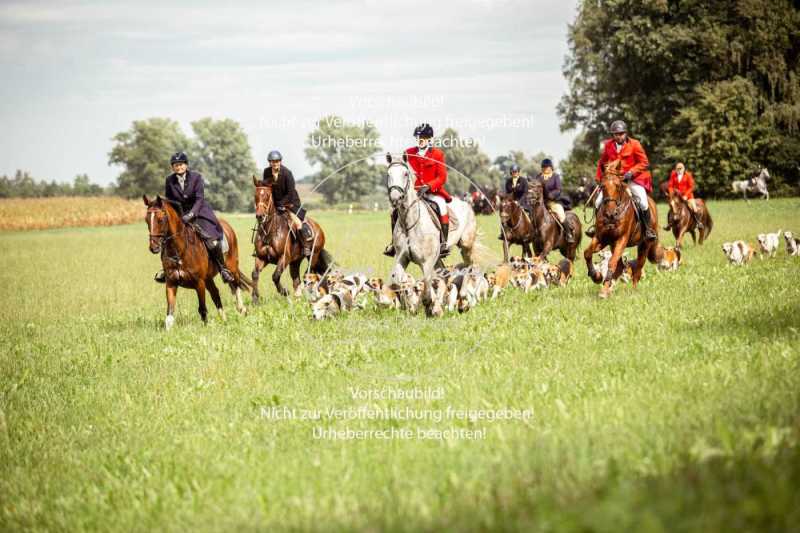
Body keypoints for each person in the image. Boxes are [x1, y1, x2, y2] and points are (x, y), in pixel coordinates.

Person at [155, 152, 234, 284]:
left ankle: (223, 269)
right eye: (175, 165)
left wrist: (191, 214)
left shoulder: (196, 177)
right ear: (172, 167)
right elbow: (169, 201)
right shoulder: (169, 180)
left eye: (180, 164)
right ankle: (166, 269)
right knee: (166, 239)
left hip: (199, 212)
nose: (178, 167)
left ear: (186, 165)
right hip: (180, 215)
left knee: (212, 241)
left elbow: (199, 199)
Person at [384, 123, 452, 258]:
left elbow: (442, 177)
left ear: (430, 139)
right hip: (413, 193)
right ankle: (393, 243)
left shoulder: (437, 154)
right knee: (395, 211)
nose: (421, 140)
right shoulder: (409, 152)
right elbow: (402, 169)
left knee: (442, 206)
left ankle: (443, 242)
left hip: (432, 192)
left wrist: (429, 186)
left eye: (424, 137)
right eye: (419, 137)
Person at [587, 120, 657, 240]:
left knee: (644, 203)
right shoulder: (608, 145)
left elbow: (644, 162)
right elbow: (602, 162)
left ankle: (648, 230)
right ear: (613, 135)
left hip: (632, 179)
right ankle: (596, 227)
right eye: (616, 134)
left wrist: (631, 172)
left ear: (625, 133)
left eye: (621, 134)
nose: (618, 136)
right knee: (598, 202)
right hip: (614, 181)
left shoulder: (635, 144)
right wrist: (599, 178)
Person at [258, 150, 315, 256]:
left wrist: (281, 203)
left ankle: (305, 246)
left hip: (290, 203)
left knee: (297, 223)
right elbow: (266, 187)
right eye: (272, 161)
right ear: (269, 162)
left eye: (276, 161)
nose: (274, 163)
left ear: (280, 161)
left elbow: (290, 192)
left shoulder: (287, 173)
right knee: (264, 222)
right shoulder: (266, 172)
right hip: (275, 204)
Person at [532, 158, 575, 243]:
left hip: (553, 202)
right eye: (544, 167)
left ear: (551, 167)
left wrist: (551, 195)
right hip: (541, 203)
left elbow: (558, 189)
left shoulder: (555, 176)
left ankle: (569, 234)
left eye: (547, 167)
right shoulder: (538, 177)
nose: (545, 169)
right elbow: (535, 188)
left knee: (561, 215)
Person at [665, 161, 704, 230]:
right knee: (671, 207)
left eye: (680, 169)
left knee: (694, 208)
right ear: (676, 169)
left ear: (683, 169)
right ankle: (669, 224)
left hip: (688, 196)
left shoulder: (688, 175)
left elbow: (691, 187)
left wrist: (686, 195)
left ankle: (698, 223)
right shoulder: (673, 175)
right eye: (678, 169)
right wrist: (671, 193)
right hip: (677, 197)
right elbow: (670, 186)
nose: (679, 170)